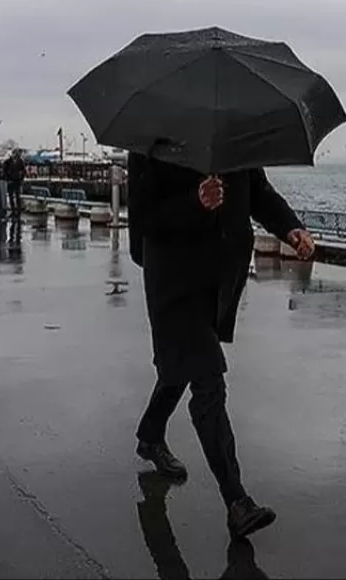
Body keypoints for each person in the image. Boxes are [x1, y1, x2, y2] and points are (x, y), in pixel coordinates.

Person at [128, 150, 315, 538]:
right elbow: (144, 220)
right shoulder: (151, 141)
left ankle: (150, 435)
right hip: (174, 281)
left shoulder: (233, 134)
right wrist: (195, 202)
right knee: (208, 379)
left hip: (217, 283)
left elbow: (258, 191)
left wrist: (290, 228)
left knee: (182, 365)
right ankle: (237, 501)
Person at [3, 148, 26, 216]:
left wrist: (21, 179)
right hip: (10, 181)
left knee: (17, 196)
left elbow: (23, 171)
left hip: (17, 181)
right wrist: (7, 179)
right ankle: (13, 211)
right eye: (14, 153)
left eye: (16, 153)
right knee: (11, 197)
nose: (15, 154)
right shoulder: (7, 161)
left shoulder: (20, 161)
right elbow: (4, 171)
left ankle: (18, 211)